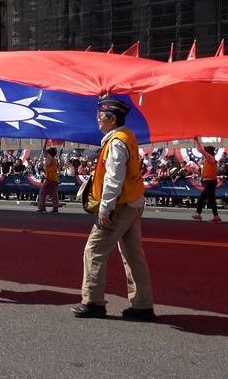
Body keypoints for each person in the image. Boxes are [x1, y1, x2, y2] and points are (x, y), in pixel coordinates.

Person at [71, 97, 155, 320]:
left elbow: (113, 178)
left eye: (101, 116)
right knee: (133, 255)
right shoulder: (127, 137)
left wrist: (105, 209)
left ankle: (93, 302)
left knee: (94, 250)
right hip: (133, 202)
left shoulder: (116, 142)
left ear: (112, 119)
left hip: (119, 205)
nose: (97, 120)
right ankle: (142, 304)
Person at [192, 136, 221, 223]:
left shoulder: (211, 158)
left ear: (209, 152)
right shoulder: (208, 160)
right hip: (209, 181)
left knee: (201, 198)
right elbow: (200, 150)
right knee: (211, 199)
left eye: (207, 151)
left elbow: (200, 150)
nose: (205, 153)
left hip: (210, 182)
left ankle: (198, 214)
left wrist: (197, 140)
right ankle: (216, 217)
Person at [36, 146, 60, 213]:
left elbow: (47, 162)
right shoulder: (53, 159)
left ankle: (42, 208)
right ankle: (55, 209)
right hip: (54, 179)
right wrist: (44, 148)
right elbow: (44, 152)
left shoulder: (49, 158)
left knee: (42, 193)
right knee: (54, 194)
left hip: (49, 178)